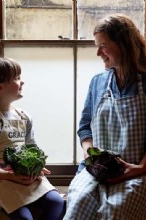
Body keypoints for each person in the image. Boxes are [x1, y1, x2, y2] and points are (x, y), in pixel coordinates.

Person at [64, 14, 146, 220]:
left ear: (124, 45)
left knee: (116, 210)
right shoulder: (98, 82)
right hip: (97, 171)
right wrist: (89, 152)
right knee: (78, 203)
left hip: (138, 171)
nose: (98, 52)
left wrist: (140, 168)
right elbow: (84, 127)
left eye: (103, 45)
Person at [0, 57, 64, 220]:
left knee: (56, 202)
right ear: (0, 87)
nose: (23, 82)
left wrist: (36, 168)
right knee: (24, 218)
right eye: (17, 78)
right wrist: (10, 176)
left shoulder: (24, 117)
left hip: (25, 178)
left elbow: (32, 150)